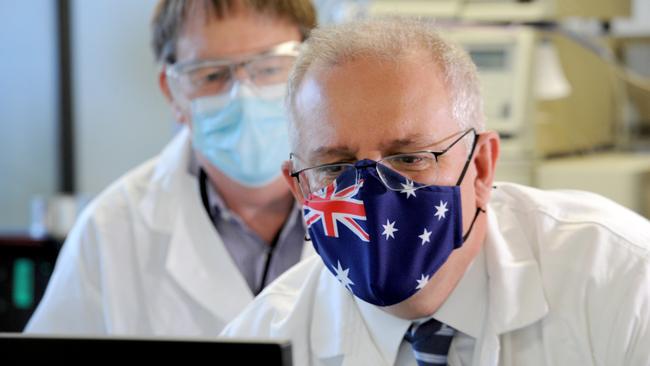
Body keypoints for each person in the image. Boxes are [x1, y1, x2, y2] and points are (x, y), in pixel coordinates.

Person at [220, 18, 650, 365]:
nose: (372, 193)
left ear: (481, 168)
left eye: (410, 158)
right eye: (335, 167)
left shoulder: (624, 282)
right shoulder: (266, 338)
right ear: (300, 190)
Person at [25, 0, 316, 335]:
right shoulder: (110, 231)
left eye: (269, 67)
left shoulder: (372, 204)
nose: (243, 97)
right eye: (211, 74)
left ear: (313, 69)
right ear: (172, 92)